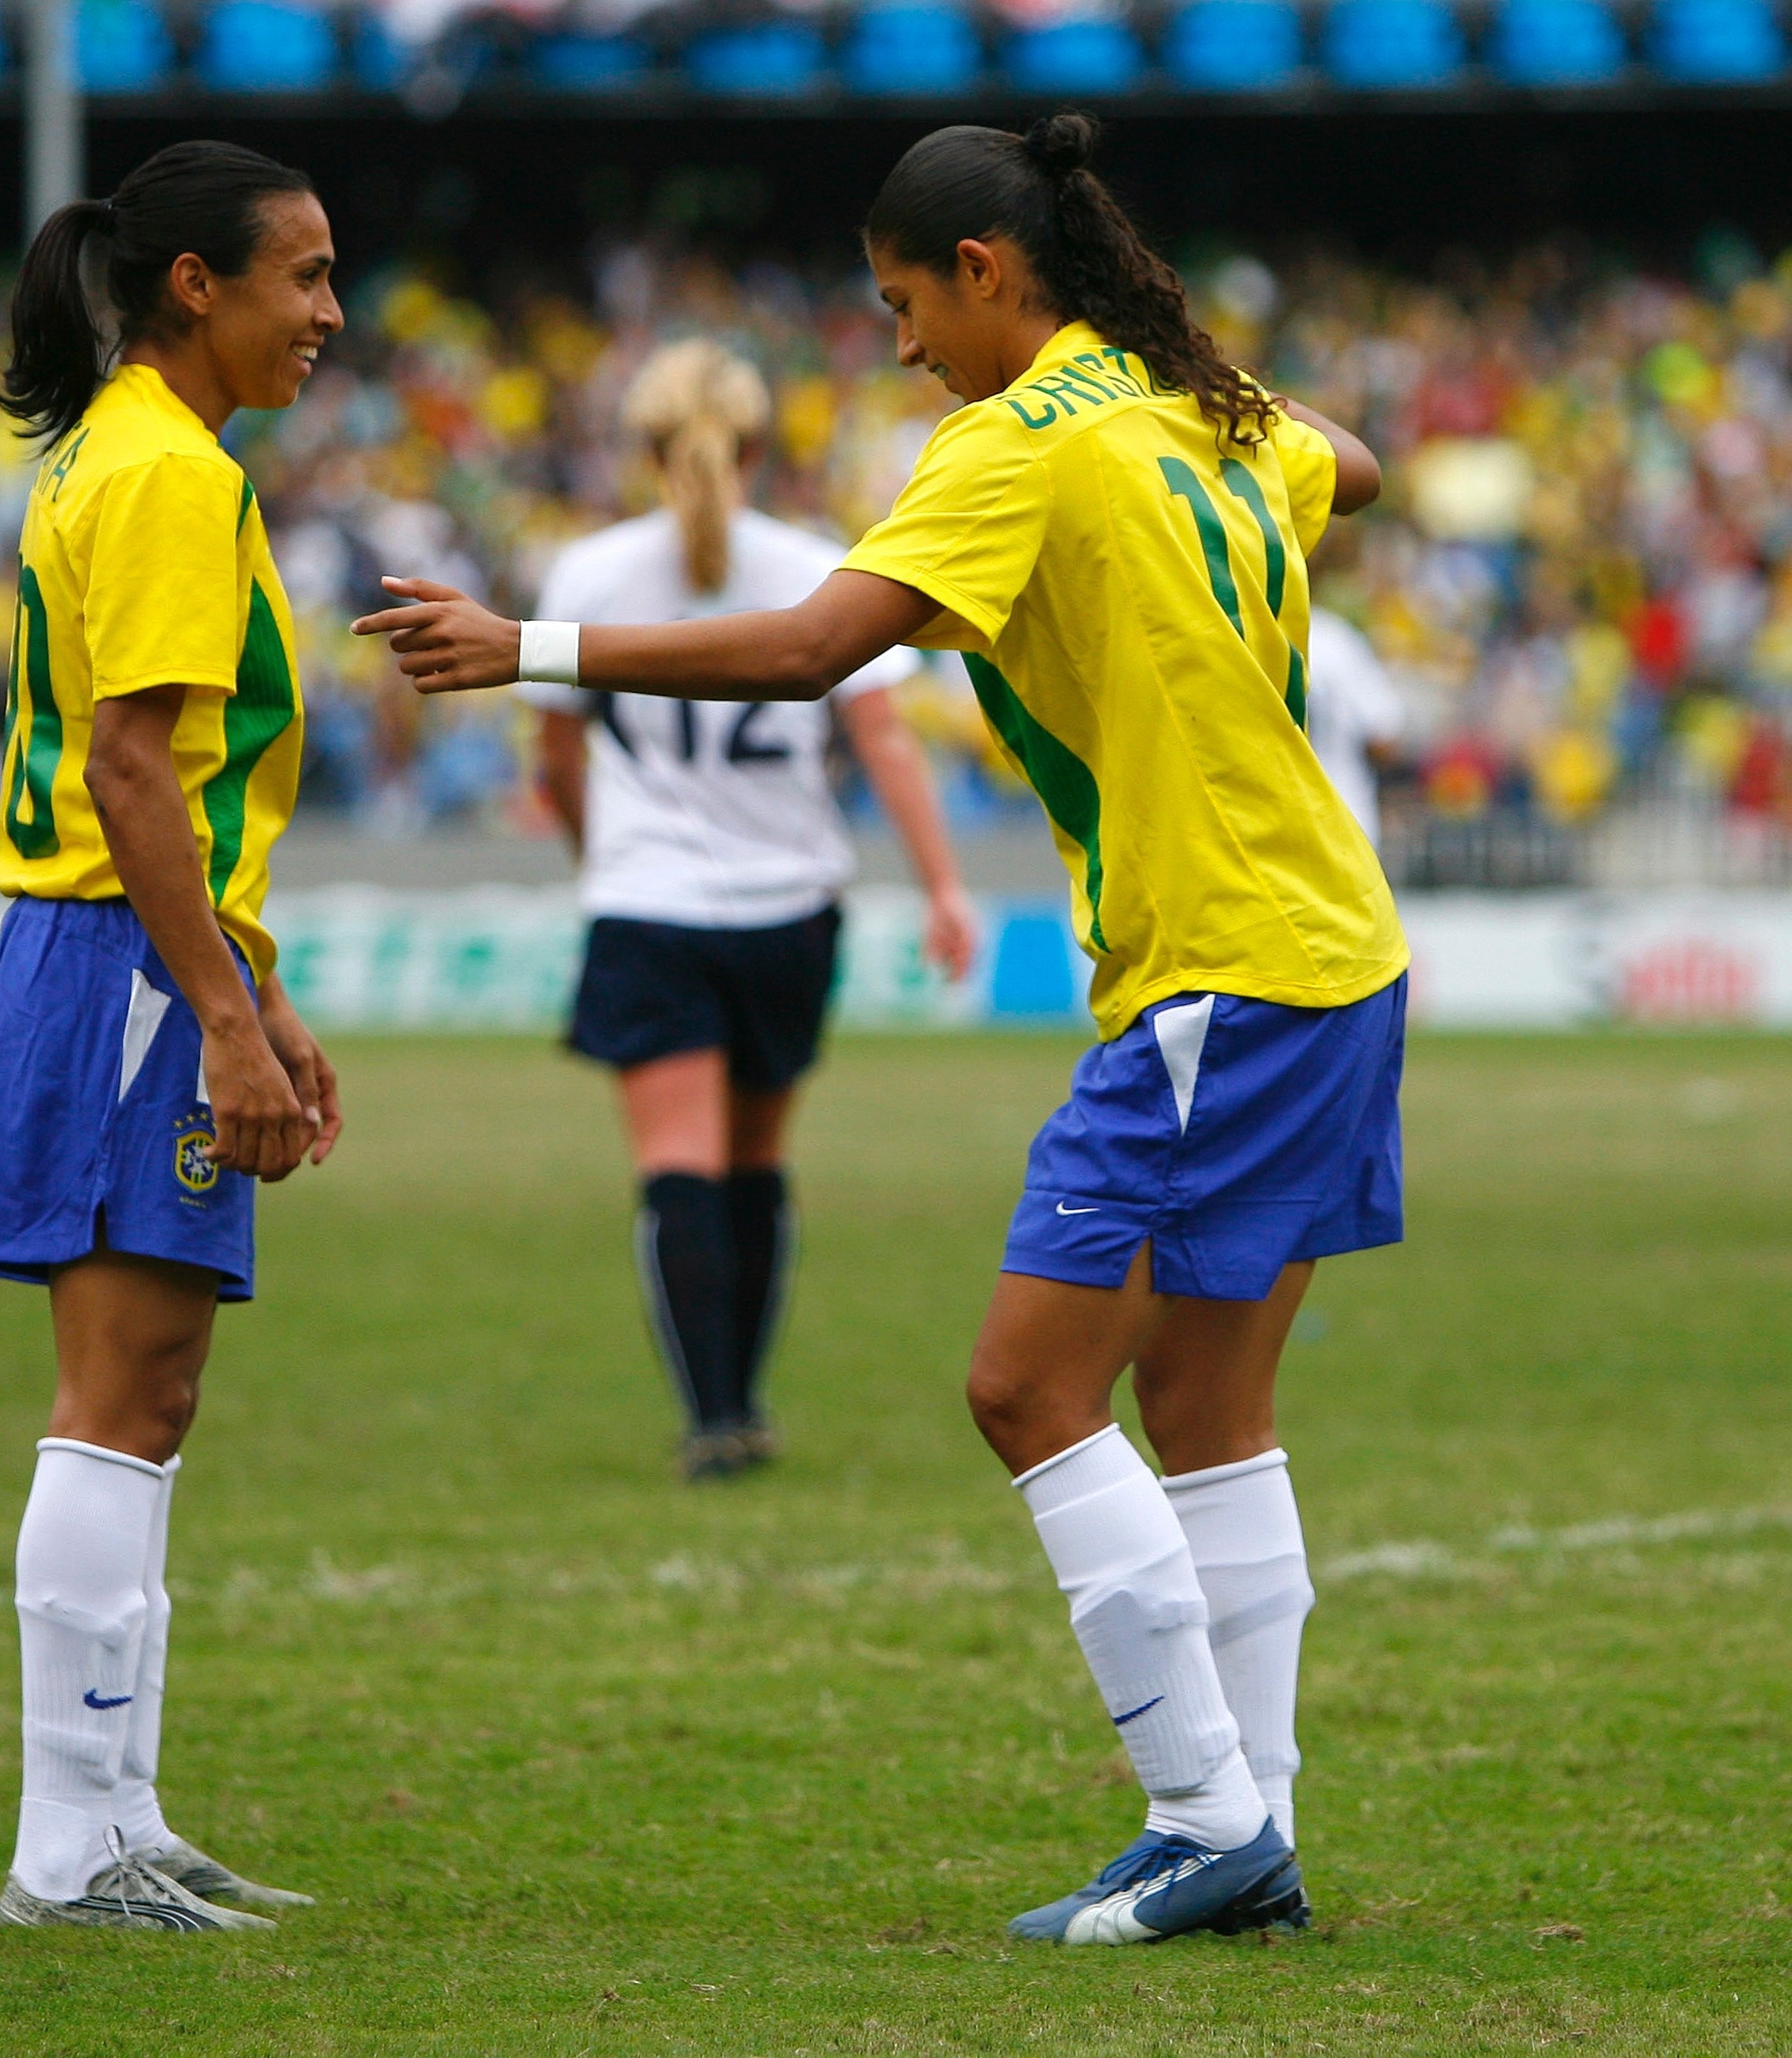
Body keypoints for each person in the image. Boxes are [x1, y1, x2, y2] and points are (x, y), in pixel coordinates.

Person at [356, 111, 1406, 1949]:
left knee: (1021, 1389)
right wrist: (1205, 390)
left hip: (1221, 970)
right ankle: (1258, 1834)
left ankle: (1200, 1820)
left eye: (900, 301)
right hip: (1336, 952)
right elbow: (1364, 467)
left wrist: (526, 646)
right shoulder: (1191, 408)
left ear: (983, 274)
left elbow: (805, 648)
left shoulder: (1007, 444)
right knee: (1208, 1405)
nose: (897, 342)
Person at [0, 140, 344, 1933]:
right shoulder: (171, 475)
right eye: (304, 276)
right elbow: (129, 769)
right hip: (118, 966)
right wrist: (216, 1014)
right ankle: (64, 1849)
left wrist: (251, 989)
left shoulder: (127, 450)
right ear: (197, 284)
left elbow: (157, 774)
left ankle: (116, 1816)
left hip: (129, 956)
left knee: (149, 1394)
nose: (330, 313)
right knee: (124, 1392)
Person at [519, 340, 976, 1481]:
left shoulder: (588, 573)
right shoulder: (822, 566)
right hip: (787, 905)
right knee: (758, 1163)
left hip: (647, 903)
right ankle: (747, 1404)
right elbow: (881, 744)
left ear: (641, 449)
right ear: (762, 446)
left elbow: (557, 760)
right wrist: (942, 887)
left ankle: (711, 1416)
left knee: (677, 1166)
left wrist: (602, 859)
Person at [1307, 606, 1405, 848]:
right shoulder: (1335, 639)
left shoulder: (1245, 632)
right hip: (1344, 814)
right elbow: (1384, 738)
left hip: (1267, 824)